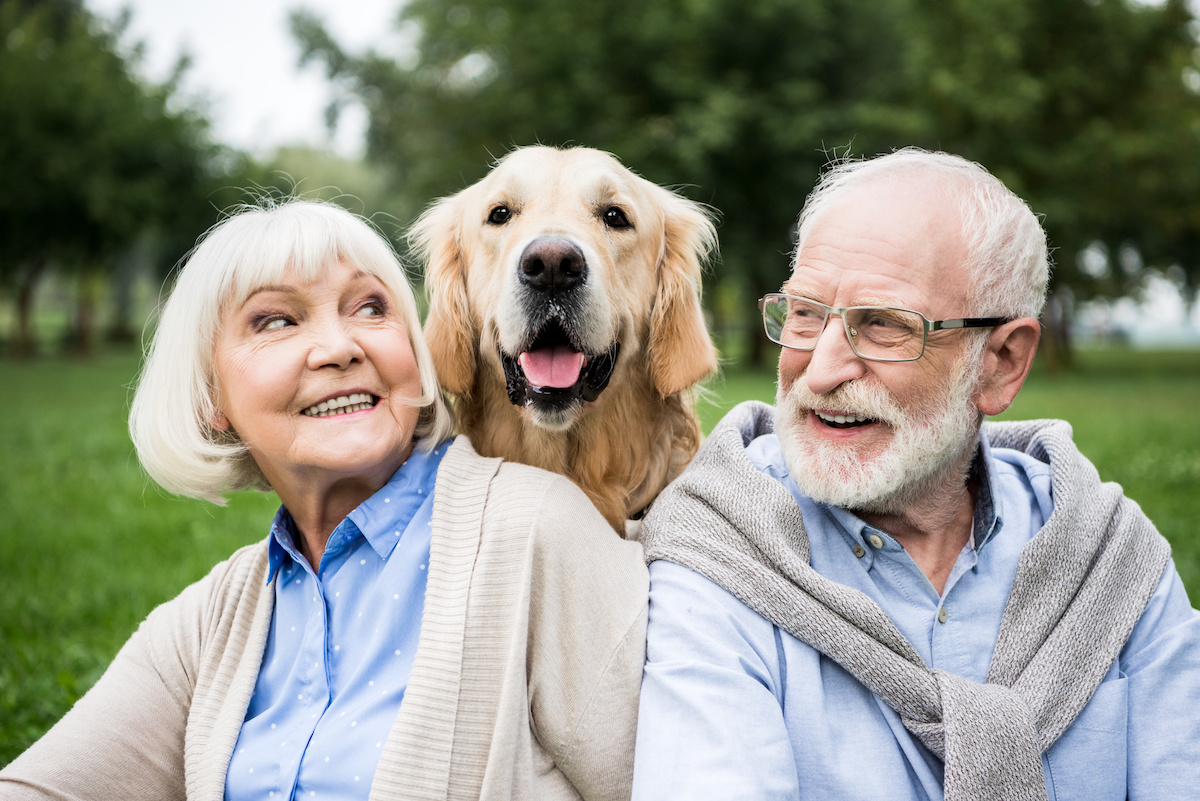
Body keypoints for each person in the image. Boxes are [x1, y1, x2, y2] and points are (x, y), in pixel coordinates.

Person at [0, 199, 648, 801]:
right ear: (210, 399)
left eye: (371, 308)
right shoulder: (212, 623)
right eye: (276, 320)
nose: (341, 348)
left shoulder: (535, 531)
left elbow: (681, 777)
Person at [631, 149, 1200, 801]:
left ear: (1002, 363)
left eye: (883, 324)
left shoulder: (1112, 559)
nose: (819, 372)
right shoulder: (720, 551)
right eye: (806, 314)